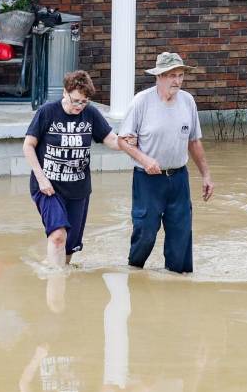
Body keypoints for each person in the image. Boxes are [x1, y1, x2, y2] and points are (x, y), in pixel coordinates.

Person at [116, 52, 214, 273]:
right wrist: (144, 159)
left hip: (179, 178)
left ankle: (178, 284)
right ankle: (134, 274)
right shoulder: (141, 101)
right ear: (158, 77)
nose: (177, 81)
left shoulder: (188, 101)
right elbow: (123, 140)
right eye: (171, 75)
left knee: (181, 236)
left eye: (180, 75)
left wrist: (206, 175)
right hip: (148, 180)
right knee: (146, 232)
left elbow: (194, 141)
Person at [23, 70, 121, 267]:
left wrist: (132, 144)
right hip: (49, 187)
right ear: (65, 93)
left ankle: (57, 273)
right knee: (58, 235)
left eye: (84, 102)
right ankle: (55, 288)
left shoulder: (90, 113)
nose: (79, 106)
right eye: (75, 100)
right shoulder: (47, 112)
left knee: (69, 248)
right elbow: (28, 146)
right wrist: (41, 179)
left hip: (78, 189)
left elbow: (111, 140)